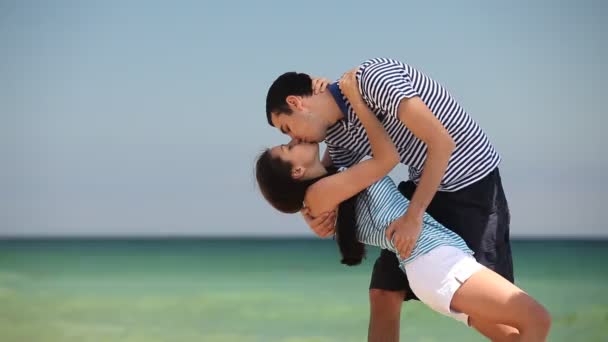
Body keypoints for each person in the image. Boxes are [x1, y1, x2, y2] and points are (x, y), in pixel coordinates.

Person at [256, 71, 550, 341]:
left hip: (466, 188)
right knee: (530, 321)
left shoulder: (372, 80)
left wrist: (412, 215)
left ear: (296, 103)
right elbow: (357, 173)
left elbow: (440, 143)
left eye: (287, 130)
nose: (293, 137)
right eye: (287, 142)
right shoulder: (334, 146)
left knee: (511, 333)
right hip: (429, 252)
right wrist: (311, 211)